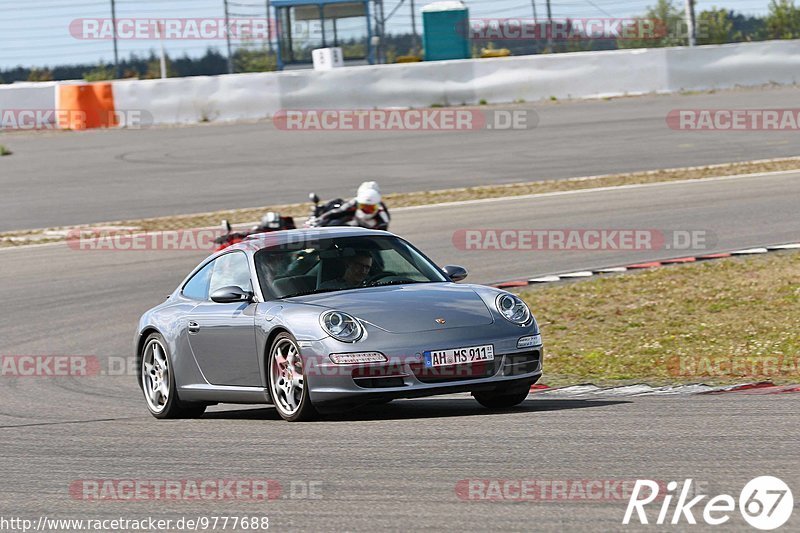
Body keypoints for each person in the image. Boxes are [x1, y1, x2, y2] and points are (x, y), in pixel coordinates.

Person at [317, 181, 391, 231]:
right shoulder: (354, 203)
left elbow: (383, 233)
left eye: (370, 208)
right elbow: (337, 211)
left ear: (377, 207)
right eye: (363, 206)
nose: (366, 210)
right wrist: (320, 219)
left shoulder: (383, 217)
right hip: (352, 226)